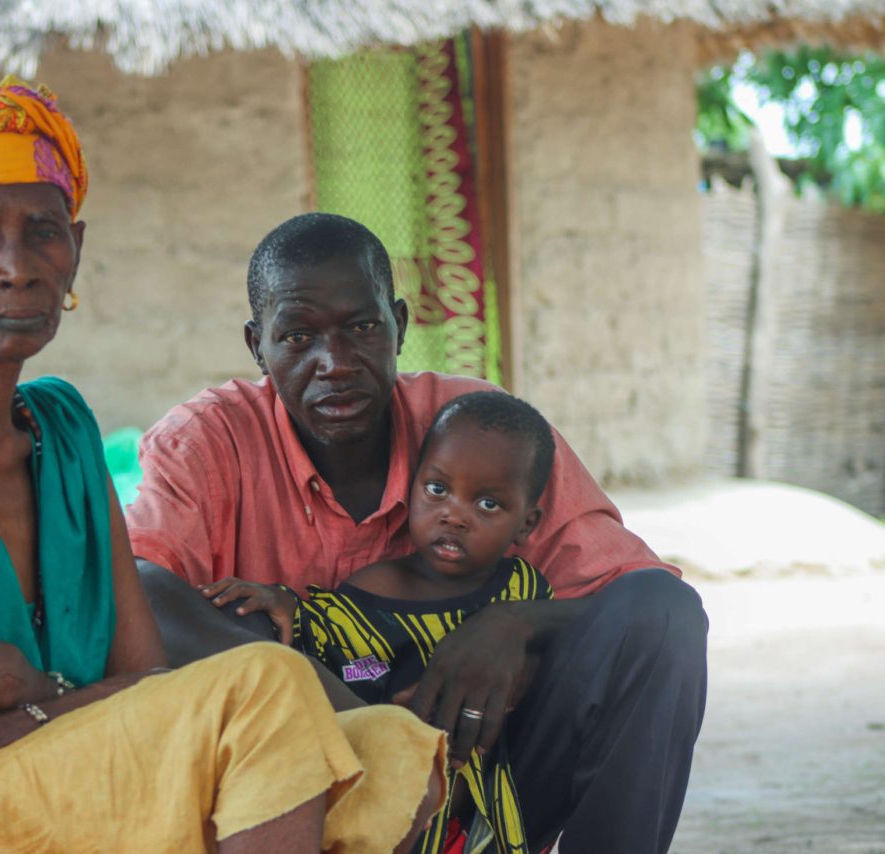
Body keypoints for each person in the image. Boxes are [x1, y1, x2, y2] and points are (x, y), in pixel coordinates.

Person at [0, 81, 448, 853]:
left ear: (76, 252)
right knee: (269, 686)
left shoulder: (61, 431)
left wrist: (26, 686)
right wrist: (50, 709)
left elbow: (145, 683)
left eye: (43, 231)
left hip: (51, 776)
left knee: (388, 747)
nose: (17, 265)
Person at [127, 213, 710, 853]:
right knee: (234, 625)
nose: (336, 363)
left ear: (399, 326)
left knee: (666, 616)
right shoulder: (206, 444)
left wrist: (511, 627)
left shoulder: (479, 433)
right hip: (295, 804)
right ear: (256, 345)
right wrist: (355, 722)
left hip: (484, 793)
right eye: (297, 336)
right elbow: (141, 591)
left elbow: (640, 599)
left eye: (362, 327)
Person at [200, 390, 556, 854]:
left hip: (488, 816)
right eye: (437, 489)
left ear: (526, 525)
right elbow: (325, 634)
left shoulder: (524, 590)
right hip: (398, 819)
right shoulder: (379, 589)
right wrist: (285, 604)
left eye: (487, 504)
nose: (454, 515)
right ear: (412, 487)